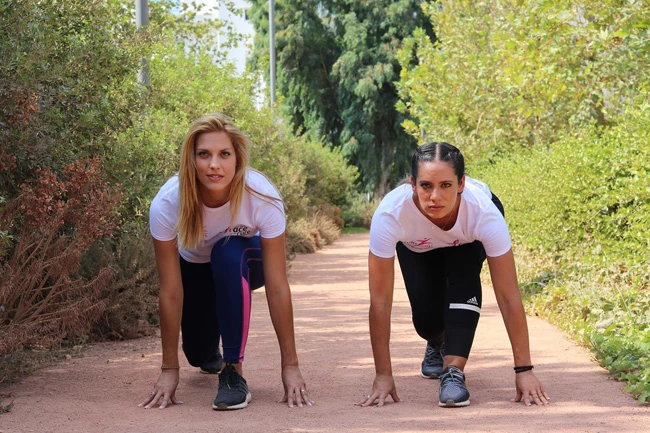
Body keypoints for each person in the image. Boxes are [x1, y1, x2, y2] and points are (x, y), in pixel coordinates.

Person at [138, 113, 313, 411]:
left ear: (238, 159)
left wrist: (291, 366)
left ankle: (233, 372)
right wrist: (169, 370)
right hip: (196, 269)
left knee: (227, 251)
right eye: (204, 155)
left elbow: (277, 285)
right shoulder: (169, 202)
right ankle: (214, 349)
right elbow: (170, 291)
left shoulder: (262, 195)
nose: (214, 165)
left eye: (224, 154)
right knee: (197, 354)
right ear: (191, 160)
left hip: (245, 262)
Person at [358, 142, 550, 408]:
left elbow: (508, 296)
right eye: (426, 186)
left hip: (466, 241)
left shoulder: (484, 214)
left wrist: (524, 370)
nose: (435, 196)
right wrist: (383, 375)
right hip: (418, 245)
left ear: (461, 184)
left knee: (463, 275)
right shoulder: (391, 214)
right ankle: (436, 342)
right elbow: (379, 301)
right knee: (427, 323)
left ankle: (453, 372)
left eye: (446, 185)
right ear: (412, 184)